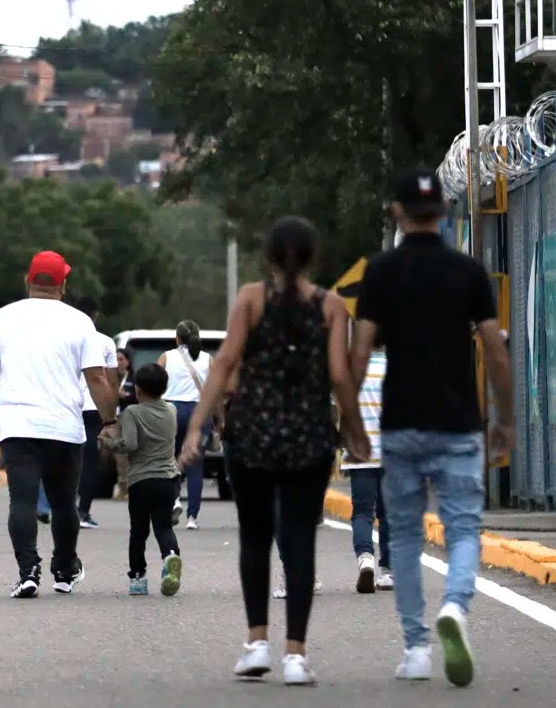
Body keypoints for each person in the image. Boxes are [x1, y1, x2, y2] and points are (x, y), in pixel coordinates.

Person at [348, 168, 513, 688]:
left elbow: (358, 352)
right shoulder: (468, 273)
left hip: (400, 423)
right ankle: (457, 609)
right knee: (463, 528)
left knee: (403, 535)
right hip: (459, 423)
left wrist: (350, 421)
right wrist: (505, 418)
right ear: (443, 212)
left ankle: (416, 647)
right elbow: (494, 348)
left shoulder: (381, 272)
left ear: (397, 213)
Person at [182, 217, 359, 687]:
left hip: (253, 433)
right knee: (299, 538)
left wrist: (196, 427)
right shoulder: (331, 306)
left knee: (255, 536)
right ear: (313, 257)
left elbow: (224, 363)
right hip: (308, 434)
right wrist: (353, 429)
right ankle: (296, 654)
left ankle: (256, 641)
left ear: (268, 257)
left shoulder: (250, 299)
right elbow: (340, 376)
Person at [0, 250, 118, 600]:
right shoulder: (80, 322)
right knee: (63, 503)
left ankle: (28, 571)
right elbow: (97, 379)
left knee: (23, 501)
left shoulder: (1, 318)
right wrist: (109, 421)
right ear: (63, 284)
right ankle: (64, 569)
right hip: (64, 427)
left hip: (18, 427)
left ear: (27, 281)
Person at [102, 362, 182, 597]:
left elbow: (131, 445)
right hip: (167, 479)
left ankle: (138, 578)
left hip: (141, 481)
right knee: (164, 526)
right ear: (165, 388)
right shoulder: (172, 410)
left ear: (137, 389)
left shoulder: (133, 413)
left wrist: (109, 443)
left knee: (138, 531)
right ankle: (170, 557)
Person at [340, 342, 392, 593]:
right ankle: (388, 571)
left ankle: (365, 559)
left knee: (362, 511)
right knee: (388, 513)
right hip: (391, 452)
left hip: (359, 452)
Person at [162, 319, 215, 530]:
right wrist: (218, 420)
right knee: (195, 466)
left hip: (171, 412)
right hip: (199, 414)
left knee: (169, 461)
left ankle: (174, 501)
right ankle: (192, 517)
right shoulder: (208, 359)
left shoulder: (166, 357)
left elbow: (153, 384)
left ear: (177, 338)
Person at [74, 297, 118, 530]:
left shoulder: (64, 339)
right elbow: (110, 381)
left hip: (69, 406)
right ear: (96, 316)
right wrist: (112, 415)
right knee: (91, 462)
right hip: (94, 408)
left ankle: (64, 507)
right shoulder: (106, 343)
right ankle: (83, 511)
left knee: (68, 460)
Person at [113, 349, 137, 499]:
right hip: (112, 417)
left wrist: (126, 395)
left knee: (129, 452)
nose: (118, 363)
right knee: (119, 454)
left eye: (121, 359)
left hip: (128, 416)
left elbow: (138, 396)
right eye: (115, 359)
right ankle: (123, 486)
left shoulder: (133, 379)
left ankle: (132, 486)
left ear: (128, 362)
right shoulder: (109, 378)